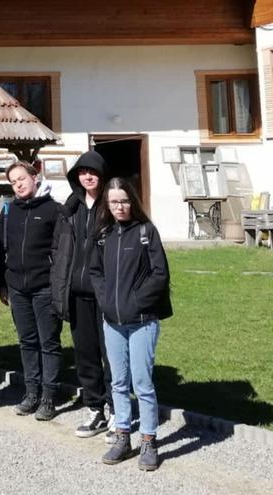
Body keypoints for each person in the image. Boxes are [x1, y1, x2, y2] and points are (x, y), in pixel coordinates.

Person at [91, 178, 172, 471]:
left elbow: (160, 274)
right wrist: (106, 302)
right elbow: (95, 271)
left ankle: (149, 439)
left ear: (132, 201)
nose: (119, 207)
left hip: (141, 322)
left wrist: (136, 301)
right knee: (118, 382)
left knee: (142, 383)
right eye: (114, 202)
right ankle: (123, 436)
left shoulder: (145, 232)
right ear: (107, 204)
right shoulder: (103, 235)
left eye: (123, 201)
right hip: (112, 322)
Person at [51, 151, 114, 439]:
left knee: (111, 354)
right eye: (82, 172)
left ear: (102, 175)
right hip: (77, 294)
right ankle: (95, 409)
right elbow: (59, 250)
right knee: (86, 354)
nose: (87, 177)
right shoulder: (71, 208)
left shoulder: (112, 204)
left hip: (105, 294)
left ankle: (117, 410)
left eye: (93, 172)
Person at [0, 161, 64, 421]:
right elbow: (1, 247)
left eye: (21, 179)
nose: (18, 185)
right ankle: (32, 392)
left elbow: (60, 251)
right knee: (27, 341)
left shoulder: (53, 210)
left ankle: (49, 396)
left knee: (48, 342)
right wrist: (3, 284)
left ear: (35, 177)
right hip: (17, 287)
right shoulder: (9, 211)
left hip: (44, 287)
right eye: (13, 182)